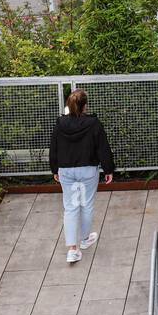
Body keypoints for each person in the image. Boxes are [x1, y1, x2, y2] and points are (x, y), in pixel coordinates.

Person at [49, 89, 115, 263]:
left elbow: (54, 147)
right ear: (85, 105)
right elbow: (103, 147)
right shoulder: (93, 123)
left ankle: (73, 249)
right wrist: (108, 170)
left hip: (66, 171)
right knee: (87, 205)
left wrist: (54, 169)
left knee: (70, 208)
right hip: (87, 170)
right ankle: (85, 239)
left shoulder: (60, 123)